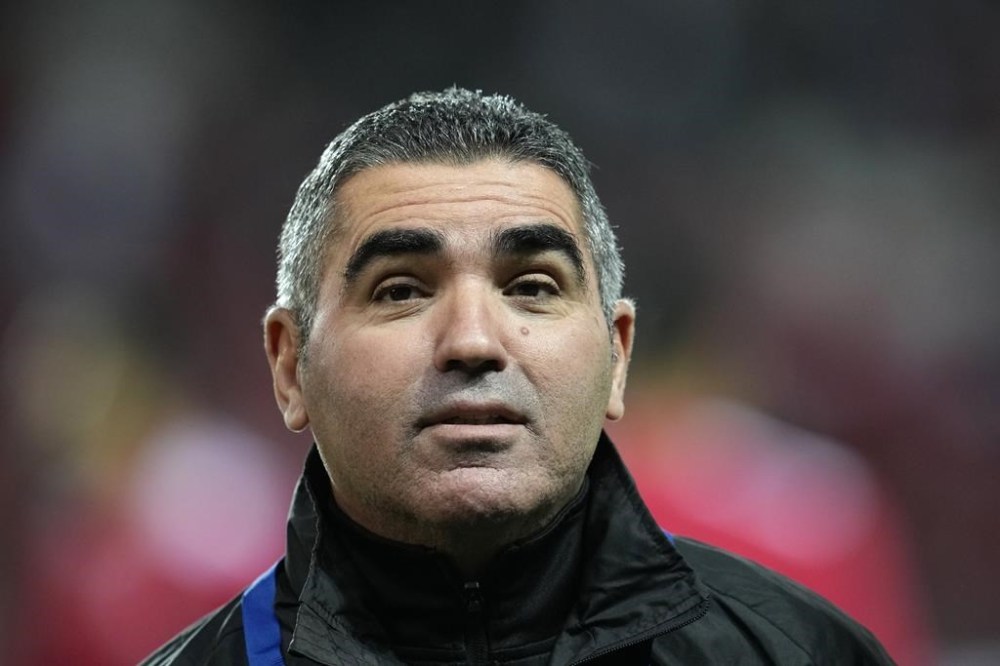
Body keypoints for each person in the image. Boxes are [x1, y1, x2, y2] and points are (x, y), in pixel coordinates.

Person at [143, 88, 892, 665]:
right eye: (401, 290)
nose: (473, 341)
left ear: (619, 355)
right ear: (288, 367)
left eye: (533, 286)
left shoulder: (804, 652)